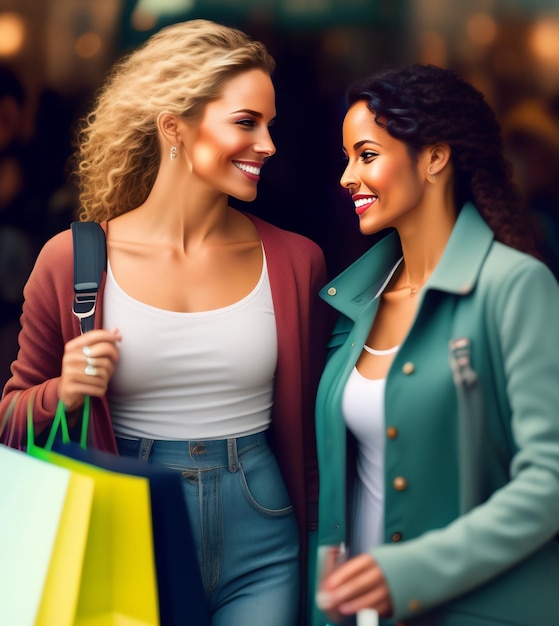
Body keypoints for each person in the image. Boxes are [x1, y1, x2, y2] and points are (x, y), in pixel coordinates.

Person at [0, 19, 329, 625]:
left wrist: (324, 550)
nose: (268, 144)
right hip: (122, 526)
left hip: (263, 531)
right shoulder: (72, 260)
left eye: (270, 125)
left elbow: (310, 439)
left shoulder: (296, 261)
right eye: (246, 122)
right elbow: (11, 419)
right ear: (174, 126)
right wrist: (63, 391)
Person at [312, 64, 559, 626]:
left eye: (366, 155)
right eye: (348, 158)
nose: (346, 176)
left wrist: (408, 572)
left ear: (435, 157)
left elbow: (556, 476)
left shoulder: (514, 286)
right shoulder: (355, 304)